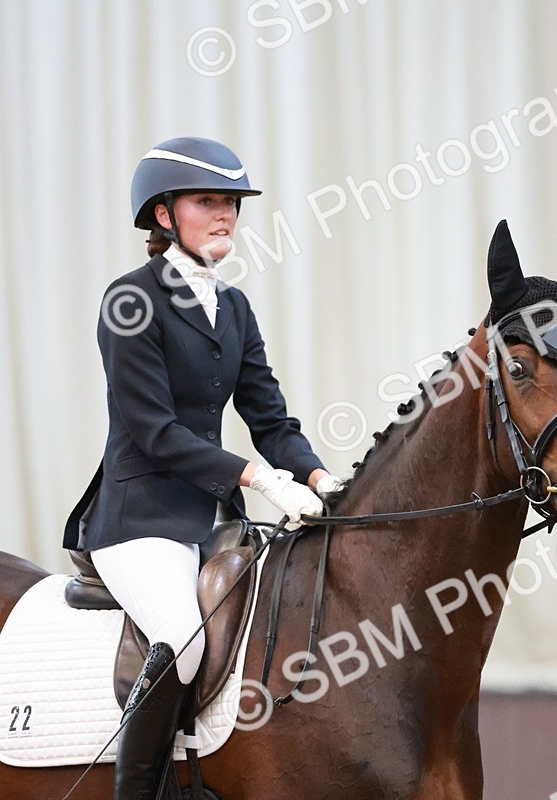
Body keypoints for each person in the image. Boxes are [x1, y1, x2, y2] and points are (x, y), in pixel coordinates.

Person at [62, 136, 341, 799]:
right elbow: (155, 433)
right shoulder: (129, 301)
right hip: (142, 517)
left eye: (231, 205)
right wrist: (260, 479)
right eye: (207, 202)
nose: (225, 217)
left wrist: (319, 478)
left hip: (214, 518)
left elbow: (269, 418)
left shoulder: (234, 307)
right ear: (164, 215)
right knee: (183, 640)